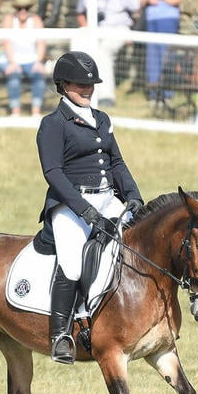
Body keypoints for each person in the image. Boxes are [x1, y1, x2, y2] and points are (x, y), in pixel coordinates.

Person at [36, 51, 143, 364]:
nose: (87, 89)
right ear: (63, 85)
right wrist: (85, 211)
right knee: (72, 263)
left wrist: (133, 195)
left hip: (108, 197)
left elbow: (116, 161)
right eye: (79, 84)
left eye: (90, 85)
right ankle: (59, 335)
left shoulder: (101, 119)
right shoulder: (53, 124)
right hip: (70, 204)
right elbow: (53, 173)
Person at [75, 0, 140, 108]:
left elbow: (139, 8)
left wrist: (133, 31)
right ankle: (78, 93)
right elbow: (80, 13)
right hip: (94, 29)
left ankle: (106, 96)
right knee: (78, 47)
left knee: (103, 52)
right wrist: (87, 30)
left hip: (119, 29)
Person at [0, 0, 46, 117]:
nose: (23, 11)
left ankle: (36, 112)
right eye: (19, 8)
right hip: (11, 58)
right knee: (14, 77)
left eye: (26, 8)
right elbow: (6, 42)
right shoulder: (9, 19)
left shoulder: (36, 20)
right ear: (15, 9)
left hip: (31, 59)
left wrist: (38, 61)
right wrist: (12, 62)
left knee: (39, 76)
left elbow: (41, 42)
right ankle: (16, 112)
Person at [140, 0, 184, 101]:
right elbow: (142, 1)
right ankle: (154, 94)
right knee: (152, 57)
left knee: (167, 55)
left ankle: (167, 93)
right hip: (151, 20)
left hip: (168, 19)